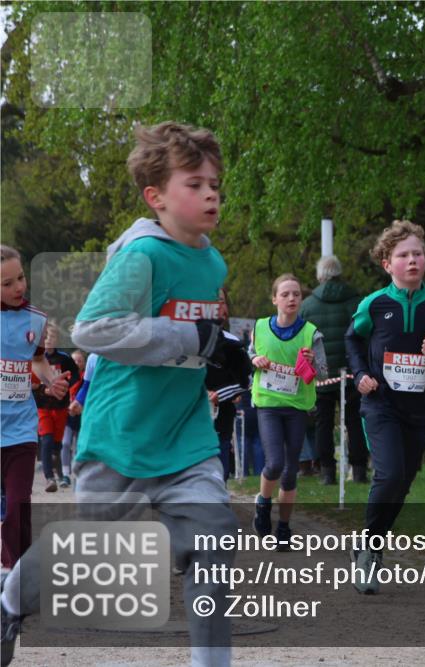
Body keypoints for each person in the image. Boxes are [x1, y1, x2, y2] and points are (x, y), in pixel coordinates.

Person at [1, 121, 244, 667]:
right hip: (122, 433)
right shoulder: (141, 256)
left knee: (214, 543)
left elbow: (190, 331)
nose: (210, 194)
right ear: (155, 196)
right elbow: (93, 329)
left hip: (185, 435)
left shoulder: (212, 259)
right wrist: (193, 337)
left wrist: (222, 348)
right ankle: (8, 602)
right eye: (195, 184)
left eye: (214, 184)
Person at [345, 219, 425, 595]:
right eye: (403, 255)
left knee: (403, 483)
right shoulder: (373, 305)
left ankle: (368, 543)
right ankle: (370, 552)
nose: (412, 260)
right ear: (386, 263)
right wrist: (360, 374)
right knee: (389, 476)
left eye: (418, 253)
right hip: (380, 404)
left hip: (417, 409)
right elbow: (352, 340)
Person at [0, 245, 71, 571]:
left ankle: (18, 574)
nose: (18, 287)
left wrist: (52, 381)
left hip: (20, 429)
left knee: (19, 504)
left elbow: (39, 360)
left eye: (21, 278)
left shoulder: (36, 319)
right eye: (7, 283)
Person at [249, 272, 327, 548]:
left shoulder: (311, 333)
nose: (291, 298)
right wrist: (255, 358)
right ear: (274, 300)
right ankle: (263, 504)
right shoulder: (259, 327)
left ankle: (283, 526)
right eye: (285, 294)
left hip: (296, 406)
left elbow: (322, 373)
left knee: (291, 470)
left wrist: (312, 361)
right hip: (268, 404)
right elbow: (251, 353)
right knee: (275, 463)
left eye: (296, 294)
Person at [300, 255, 366, 485]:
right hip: (351, 372)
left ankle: (327, 472)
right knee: (354, 422)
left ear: (320, 276)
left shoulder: (307, 306)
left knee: (323, 424)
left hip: (322, 374)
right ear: (340, 273)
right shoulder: (357, 302)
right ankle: (359, 470)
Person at [205, 288, 252, 482]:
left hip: (220, 424)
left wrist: (218, 395)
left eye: (222, 301)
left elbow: (245, 380)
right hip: (185, 426)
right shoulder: (180, 341)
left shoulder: (232, 343)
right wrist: (200, 395)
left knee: (218, 479)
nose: (218, 305)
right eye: (213, 300)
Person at [32, 325, 79, 491]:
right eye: (45, 338)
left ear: (56, 340)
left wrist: (68, 386)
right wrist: (41, 389)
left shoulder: (64, 358)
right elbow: (32, 382)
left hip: (60, 406)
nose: (48, 341)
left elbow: (75, 375)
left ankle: (59, 471)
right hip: (43, 406)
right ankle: (49, 478)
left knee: (57, 444)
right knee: (47, 440)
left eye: (51, 338)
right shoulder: (36, 358)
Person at [59, 349, 86, 483]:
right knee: (65, 443)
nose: (76, 363)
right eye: (74, 360)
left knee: (78, 446)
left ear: (84, 363)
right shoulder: (65, 377)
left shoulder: (87, 378)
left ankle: (76, 474)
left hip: (82, 416)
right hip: (67, 415)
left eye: (79, 361)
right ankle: (65, 474)